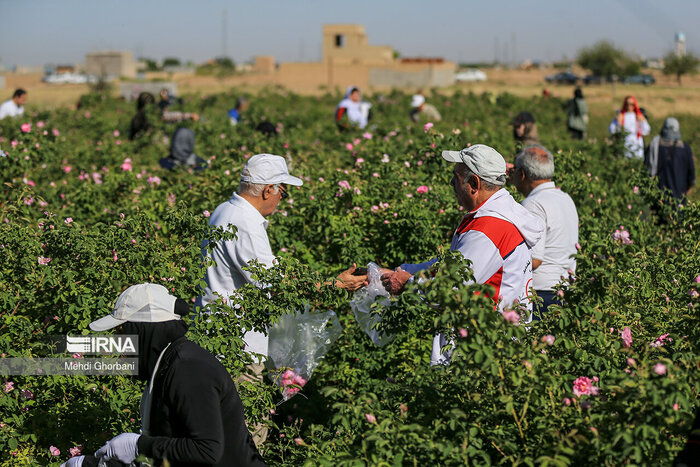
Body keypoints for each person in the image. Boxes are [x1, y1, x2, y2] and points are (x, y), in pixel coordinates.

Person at [197, 154, 367, 442]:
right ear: (268, 190)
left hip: (218, 336)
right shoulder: (245, 223)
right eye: (282, 192)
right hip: (236, 347)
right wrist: (334, 284)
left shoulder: (224, 211)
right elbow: (276, 284)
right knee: (247, 435)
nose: (281, 199)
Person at [61, 283, 266, 467]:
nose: (118, 343)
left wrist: (138, 445)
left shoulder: (188, 369)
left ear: (142, 331)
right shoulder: (167, 365)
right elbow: (171, 448)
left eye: (122, 333)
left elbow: (206, 450)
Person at [380, 144, 544, 365]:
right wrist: (405, 270)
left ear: (474, 184)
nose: (451, 184)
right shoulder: (496, 216)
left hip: (483, 350)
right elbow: (453, 264)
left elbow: (451, 290)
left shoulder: (490, 229)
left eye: (455, 178)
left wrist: (408, 284)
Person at [509, 145, 579, 317]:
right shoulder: (565, 198)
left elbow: (534, 260)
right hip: (565, 289)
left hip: (541, 294)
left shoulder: (533, 204)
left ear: (523, 175)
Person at [645, 117, 695, 201]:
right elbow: (691, 176)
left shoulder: (655, 145)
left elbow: (646, 168)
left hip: (659, 196)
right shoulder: (685, 148)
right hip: (679, 196)